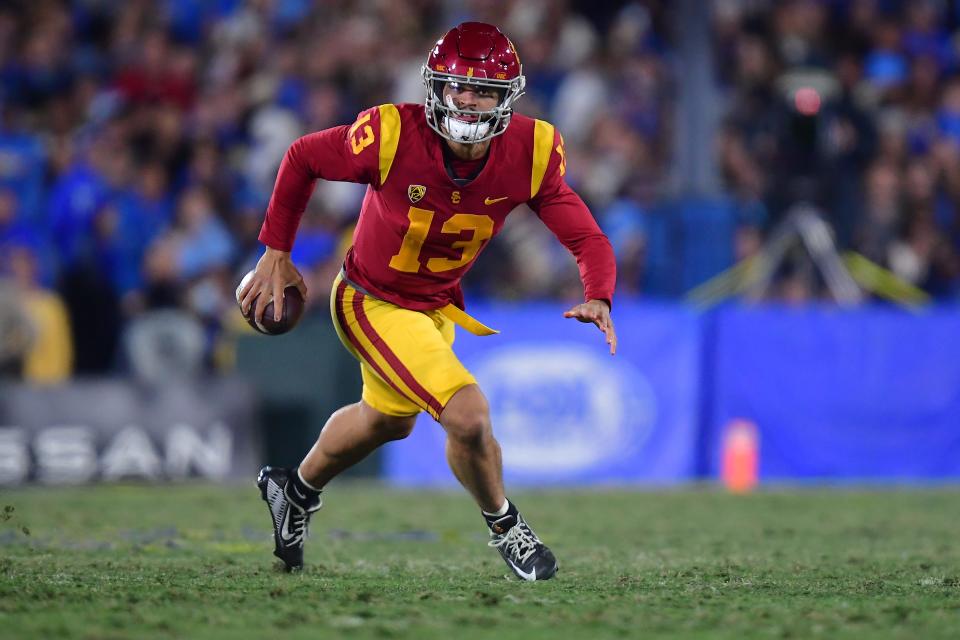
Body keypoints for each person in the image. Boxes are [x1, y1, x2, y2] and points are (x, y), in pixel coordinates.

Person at [239, 22, 617, 581]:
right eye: (457, 87)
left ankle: (292, 491)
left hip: (434, 306)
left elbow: (584, 237)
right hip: (370, 299)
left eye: (483, 90)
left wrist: (600, 293)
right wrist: (276, 250)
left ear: (507, 98)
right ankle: (507, 526)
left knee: (387, 422)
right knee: (467, 415)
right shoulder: (392, 133)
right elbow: (302, 157)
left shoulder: (531, 151)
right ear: (433, 87)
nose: (467, 100)